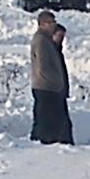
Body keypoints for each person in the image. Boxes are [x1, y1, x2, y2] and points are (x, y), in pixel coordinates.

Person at [28, 10, 73, 144]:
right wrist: (56, 82)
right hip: (46, 88)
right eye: (50, 22)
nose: (53, 25)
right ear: (42, 24)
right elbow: (44, 66)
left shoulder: (47, 41)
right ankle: (41, 142)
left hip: (50, 87)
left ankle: (55, 142)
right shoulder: (41, 40)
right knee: (45, 121)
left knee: (55, 122)